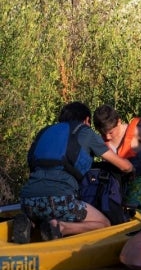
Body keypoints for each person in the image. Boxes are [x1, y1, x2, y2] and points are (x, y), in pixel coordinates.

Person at [13, 102, 134, 243]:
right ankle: (60, 227)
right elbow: (123, 166)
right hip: (59, 200)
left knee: (43, 207)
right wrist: (132, 167)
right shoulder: (85, 132)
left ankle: (30, 222)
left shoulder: (44, 131)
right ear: (86, 120)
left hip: (27, 200)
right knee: (104, 223)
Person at [93, 104, 141, 207]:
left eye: (111, 133)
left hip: (139, 182)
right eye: (102, 133)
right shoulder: (102, 138)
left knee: (131, 211)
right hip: (117, 183)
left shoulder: (135, 132)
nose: (107, 137)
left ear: (119, 122)